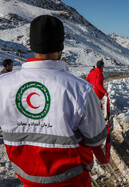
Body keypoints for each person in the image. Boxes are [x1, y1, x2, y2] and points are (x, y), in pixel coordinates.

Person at [0, 15, 106, 187]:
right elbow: (95, 139)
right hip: (73, 181)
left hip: (27, 179)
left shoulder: (3, 84)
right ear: (60, 47)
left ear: (32, 44)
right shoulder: (81, 89)